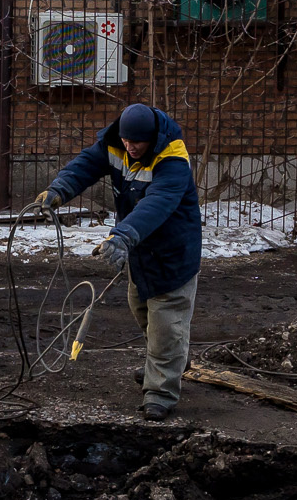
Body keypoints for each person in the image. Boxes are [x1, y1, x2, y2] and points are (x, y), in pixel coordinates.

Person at [32, 102, 203, 420]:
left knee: (167, 322)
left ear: (153, 137)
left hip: (173, 253)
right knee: (143, 312)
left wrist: (123, 235)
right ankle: (167, 362)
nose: (130, 147)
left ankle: (160, 392)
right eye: (126, 141)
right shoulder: (116, 144)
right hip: (140, 253)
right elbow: (85, 165)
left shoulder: (173, 160)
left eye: (137, 142)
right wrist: (59, 190)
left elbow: (157, 203)